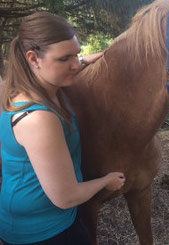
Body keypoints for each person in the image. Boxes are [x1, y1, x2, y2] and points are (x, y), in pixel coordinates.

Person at [0, 12, 126, 245]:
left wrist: (89, 59)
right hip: (42, 232)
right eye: (65, 58)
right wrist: (107, 181)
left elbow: (69, 62)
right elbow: (66, 197)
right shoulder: (38, 119)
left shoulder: (18, 89)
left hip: (35, 218)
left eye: (77, 55)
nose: (76, 64)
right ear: (33, 59)